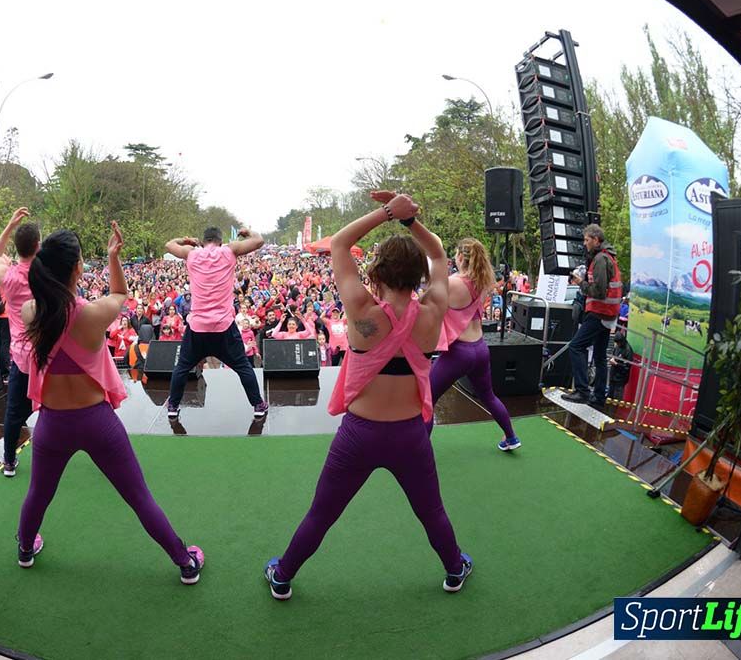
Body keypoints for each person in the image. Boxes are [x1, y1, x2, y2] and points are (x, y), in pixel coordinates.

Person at [264, 192, 473, 601]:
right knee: (431, 512)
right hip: (411, 435)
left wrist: (387, 213)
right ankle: (454, 569)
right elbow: (439, 252)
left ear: (375, 271)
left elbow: (340, 243)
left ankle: (283, 575)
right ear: (418, 277)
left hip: (358, 435)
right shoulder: (432, 311)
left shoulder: (360, 309)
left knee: (322, 514)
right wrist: (410, 220)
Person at [17, 222, 204, 583]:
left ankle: (25, 549)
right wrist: (114, 256)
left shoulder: (31, 312)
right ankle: (184, 562)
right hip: (96, 422)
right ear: (76, 268)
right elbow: (120, 292)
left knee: (38, 494)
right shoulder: (93, 313)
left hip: (52, 424)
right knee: (138, 497)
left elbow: (41, 299)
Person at [164, 227, 268, 419]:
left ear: (203, 241)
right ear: (220, 241)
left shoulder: (191, 253)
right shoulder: (229, 250)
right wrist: (248, 232)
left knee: (181, 368)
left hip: (198, 327)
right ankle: (258, 405)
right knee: (243, 367)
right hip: (223, 326)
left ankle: (172, 407)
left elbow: (169, 245)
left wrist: (186, 240)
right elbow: (259, 240)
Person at [426, 237, 520, 451]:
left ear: (460, 256)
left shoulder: (453, 283)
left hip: (459, 352)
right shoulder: (482, 281)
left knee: (427, 399)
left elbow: (428, 303)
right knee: (488, 396)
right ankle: (511, 437)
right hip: (480, 349)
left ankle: (419, 450)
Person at [0, 207, 40, 480]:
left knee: (13, 412)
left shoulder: (8, 277)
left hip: (21, 356)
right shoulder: (46, 275)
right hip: (46, 354)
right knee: (54, 406)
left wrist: (10, 224)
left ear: (17, 249)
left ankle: (9, 463)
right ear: (38, 246)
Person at [562, 224, 622, 410]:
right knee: (599, 356)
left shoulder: (601, 259)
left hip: (599, 312)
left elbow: (598, 290)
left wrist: (581, 283)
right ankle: (598, 397)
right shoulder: (608, 257)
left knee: (576, 346)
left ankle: (582, 391)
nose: (585, 243)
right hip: (608, 314)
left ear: (596, 240)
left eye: (587, 240)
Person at [608, 329, 634, 401]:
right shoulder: (617, 346)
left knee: (617, 399)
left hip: (620, 379)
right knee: (609, 397)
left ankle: (614, 411)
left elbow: (627, 367)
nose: (617, 344)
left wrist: (616, 364)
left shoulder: (628, 350)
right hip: (613, 375)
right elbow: (613, 355)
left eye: (618, 343)